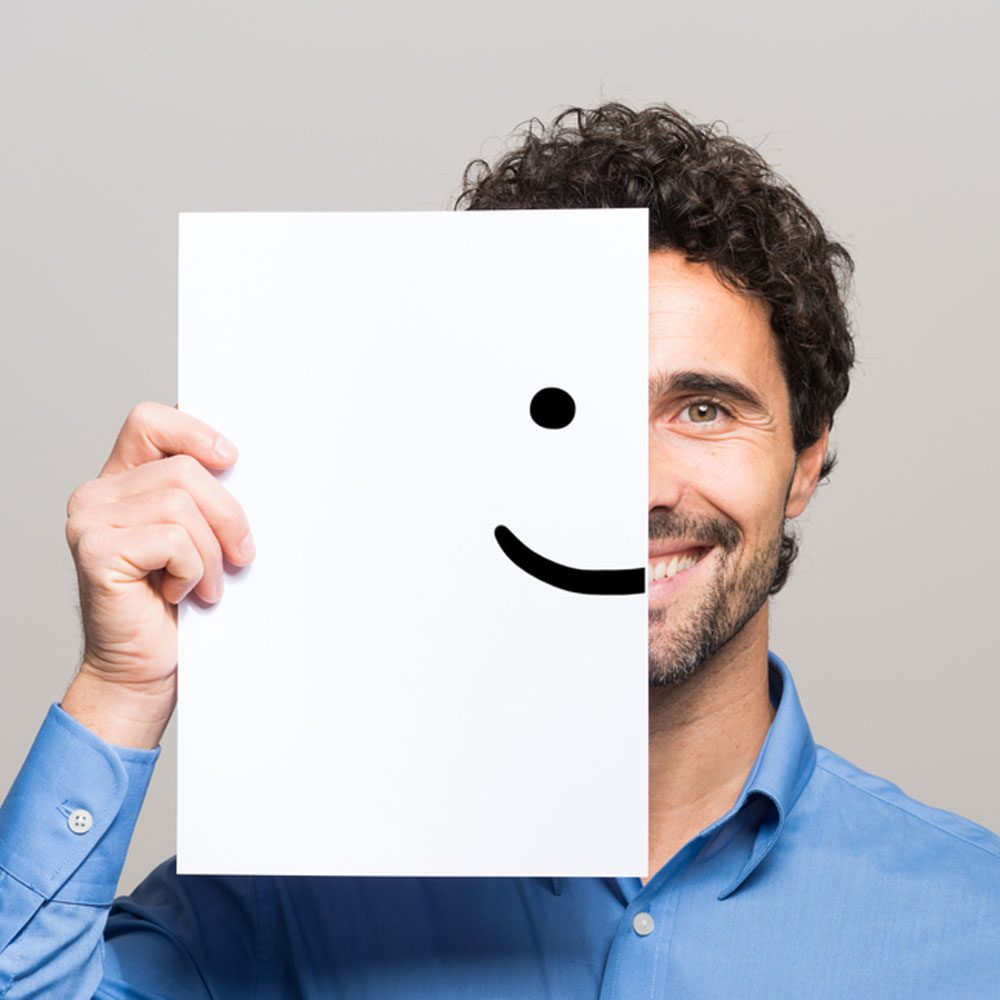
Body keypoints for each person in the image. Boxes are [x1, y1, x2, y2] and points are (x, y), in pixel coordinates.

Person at [1, 102, 997, 999]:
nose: (635, 483)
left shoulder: (973, 923)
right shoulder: (281, 898)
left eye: (701, 408)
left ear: (806, 460)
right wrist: (121, 686)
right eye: (563, 413)